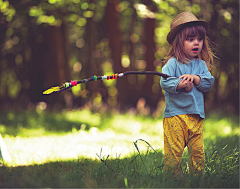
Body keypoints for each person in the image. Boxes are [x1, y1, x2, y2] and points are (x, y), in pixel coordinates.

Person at [160, 12, 215, 177]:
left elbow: (208, 83)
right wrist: (181, 84)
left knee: (197, 152)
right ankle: (174, 178)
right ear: (178, 42)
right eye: (190, 39)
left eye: (199, 39)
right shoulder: (172, 63)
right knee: (174, 152)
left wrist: (196, 79)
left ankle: (197, 179)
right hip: (175, 116)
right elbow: (165, 82)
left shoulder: (201, 65)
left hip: (196, 116)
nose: (196, 43)